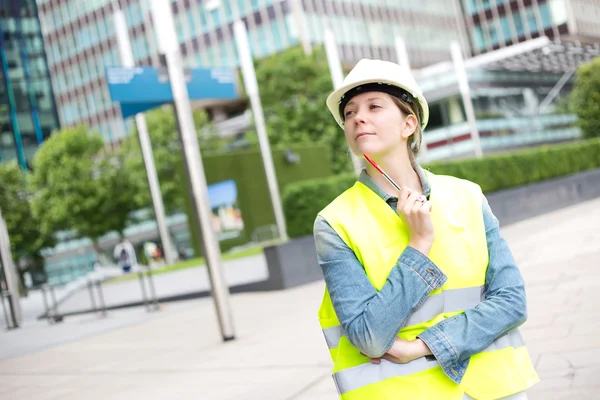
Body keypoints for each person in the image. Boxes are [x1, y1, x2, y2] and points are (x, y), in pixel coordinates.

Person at [313, 59, 539, 400]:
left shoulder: (467, 195)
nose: (359, 117)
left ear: (409, 123)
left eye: (374, 106)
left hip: (498, 390)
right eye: (349, 113)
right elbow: (369, 336)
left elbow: (512, 301)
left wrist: (425, 345)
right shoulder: (334, 222)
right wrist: (419, 244)